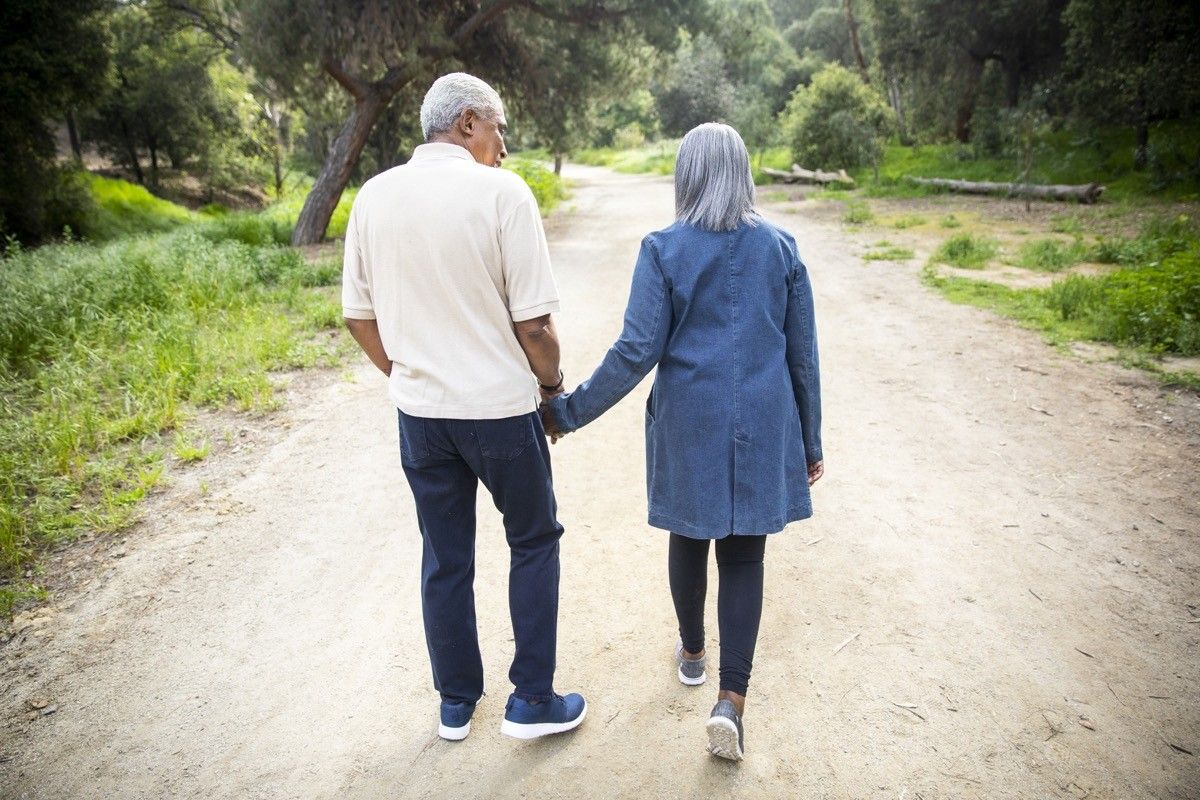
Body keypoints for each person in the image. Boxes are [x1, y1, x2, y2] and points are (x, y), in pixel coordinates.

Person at [542, 122, 823, 761]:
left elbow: (637, 349)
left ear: (686, 176)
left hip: (688, 420)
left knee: (689, 535)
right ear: (744, 174)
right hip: (762, 418)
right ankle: (732, 702)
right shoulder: (781, 247)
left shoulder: (664, 249)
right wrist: (810, 439)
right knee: (746, 557)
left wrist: (568, 412)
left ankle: (693, 653)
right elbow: (802, 355)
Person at [341, 72, 586, 743]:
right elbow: (535, 328)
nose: (504, 147)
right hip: (501, 412)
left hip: (422, 416)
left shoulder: (374, 196)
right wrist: (552, 387)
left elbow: (357, 317)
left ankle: (455, 704)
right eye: (499, 130)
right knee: (533, 541)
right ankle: (531, 701)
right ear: (471, 122)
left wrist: (410, 372)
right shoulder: (502, 193)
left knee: (445, 556)